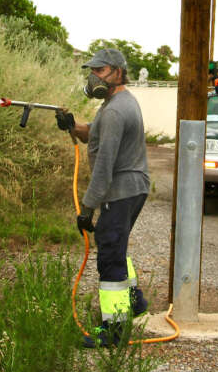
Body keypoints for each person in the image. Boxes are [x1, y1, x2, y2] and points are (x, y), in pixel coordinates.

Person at [55, 47, 150, 347]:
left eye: (100, 70)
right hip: (134, 187)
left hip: (121, 190)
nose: (93, 76)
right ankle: (134, 300)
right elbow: (93, 132)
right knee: (116, 242)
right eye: (92, 71)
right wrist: (73, 126)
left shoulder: (115, 110)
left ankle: (115, 331)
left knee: (109, 253)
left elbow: (103, 170)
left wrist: (87, 210)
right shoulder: (118, 103)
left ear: (118, 72)